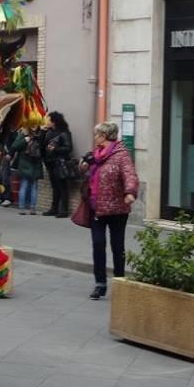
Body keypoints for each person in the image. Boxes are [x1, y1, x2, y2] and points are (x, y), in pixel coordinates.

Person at [81, 121, 139, 300]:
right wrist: (84, 164)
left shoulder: (121, 155)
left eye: (97, 134)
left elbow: (130, 174)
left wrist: (130, 192)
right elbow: (86, 173)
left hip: (117, 209)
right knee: (98, 245)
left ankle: (120, 280)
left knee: (117, 246)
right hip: (97, 208)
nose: (95, 137)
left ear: (104, 136)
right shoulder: (96, 154)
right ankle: (100, 284)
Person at [41, 111, 73, 217]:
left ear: (54, 122)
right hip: (50, 163)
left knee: (62, 187)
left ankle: (63, 210)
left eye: (48, 119)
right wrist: (41, 133)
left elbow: (68, 148)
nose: (46, 121)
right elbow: (42, 145)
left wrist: (56, 149)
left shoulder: (63, 133)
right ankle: (54, 209)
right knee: (54, 187)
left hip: (59, 163)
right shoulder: (48, 132)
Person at [10, 126, 44, 215]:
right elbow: (14, 146)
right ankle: (22, 207)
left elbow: (43, 149)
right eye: (32, 124)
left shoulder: (41, 134)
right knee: (24, 185)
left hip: (36, 163)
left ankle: (32, 208)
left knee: (34, 186)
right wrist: (25, 140)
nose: (34, 126)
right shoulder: (24, 134)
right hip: (25, 163)